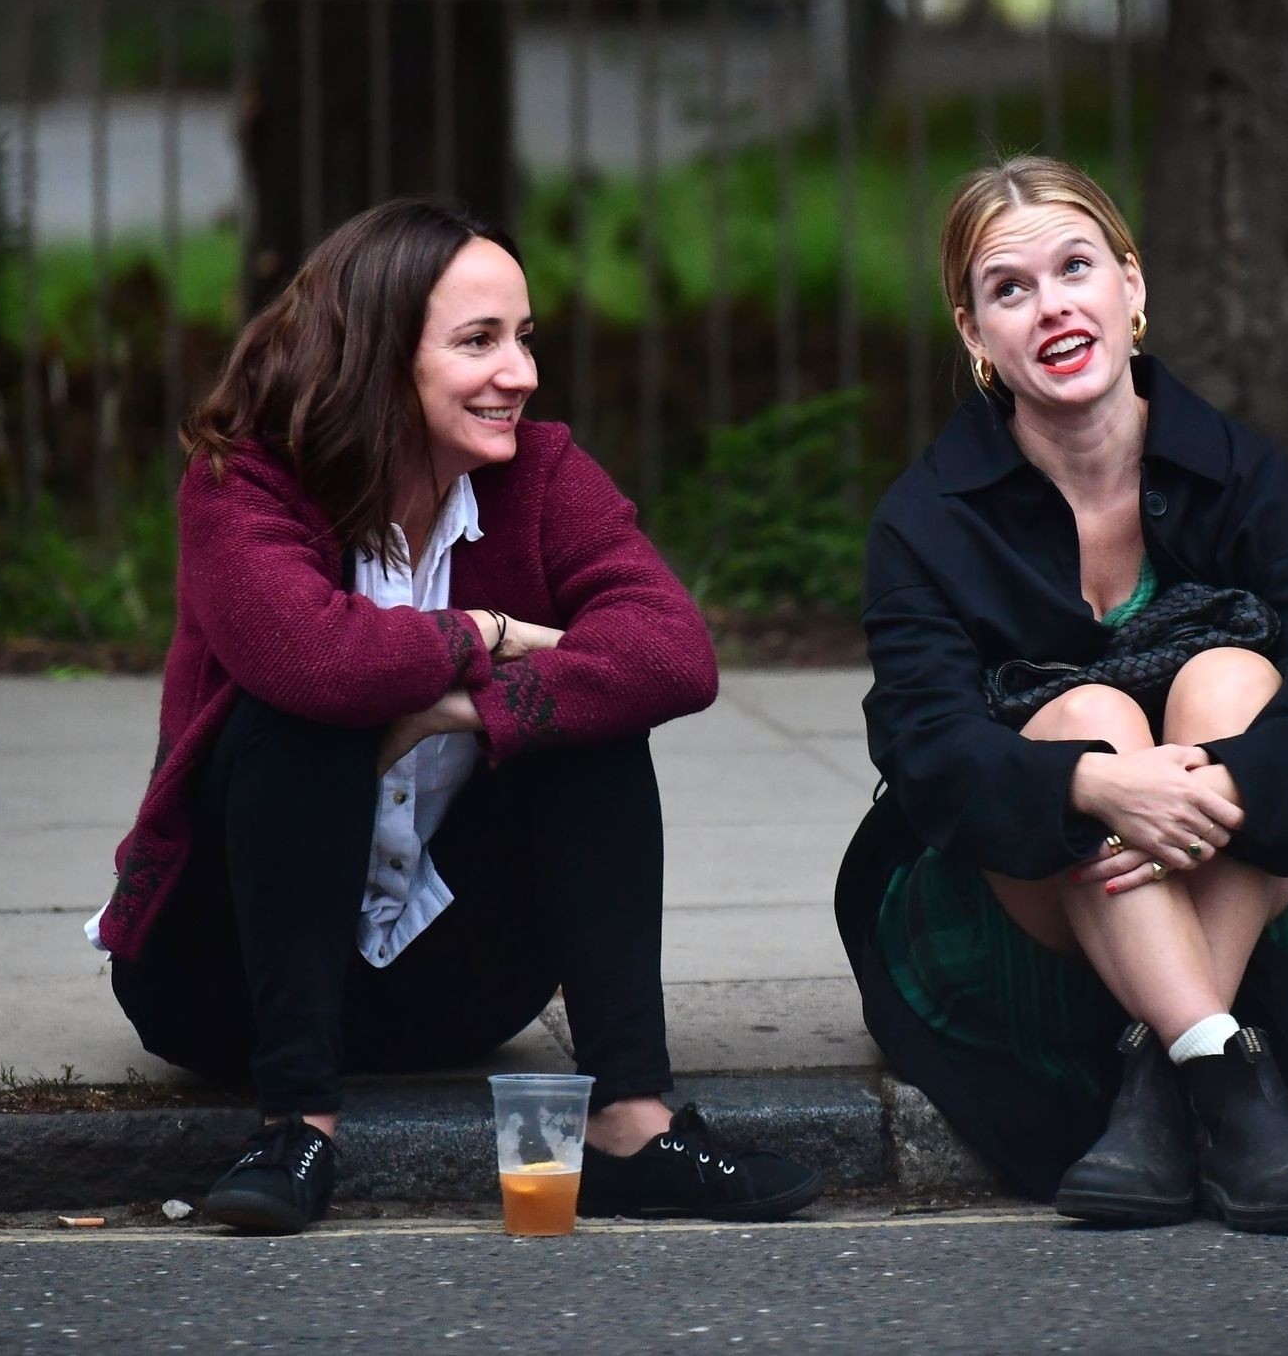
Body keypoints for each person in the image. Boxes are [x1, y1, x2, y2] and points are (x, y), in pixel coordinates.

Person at [92, 197, 823, 1234]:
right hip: (223, 988)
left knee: (587, 723)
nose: (518, 373)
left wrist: (464, 710)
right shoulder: (243, 482)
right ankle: (295, 1125)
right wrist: (488, 632)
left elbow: (673, 651)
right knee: (298, 716)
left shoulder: (541, 474)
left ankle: (631, 1125)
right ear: (378, 353)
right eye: (479, 341)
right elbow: (313, 658)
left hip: (453, 987)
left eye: (524, 338)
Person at [837, 156, 1288, 1233]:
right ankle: (1232, 1078)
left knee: (1233, 680)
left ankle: (1176, 1060)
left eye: (1076, 267)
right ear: (975, 333)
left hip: (1235, 860)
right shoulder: (928, 517)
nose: (1052, 305)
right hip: (1025, 903)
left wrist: (1219, 783)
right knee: (1091, 720)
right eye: (1010, 288)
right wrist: (1096, 788)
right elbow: (925, 741)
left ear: (1131, 286)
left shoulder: (1238, 471)